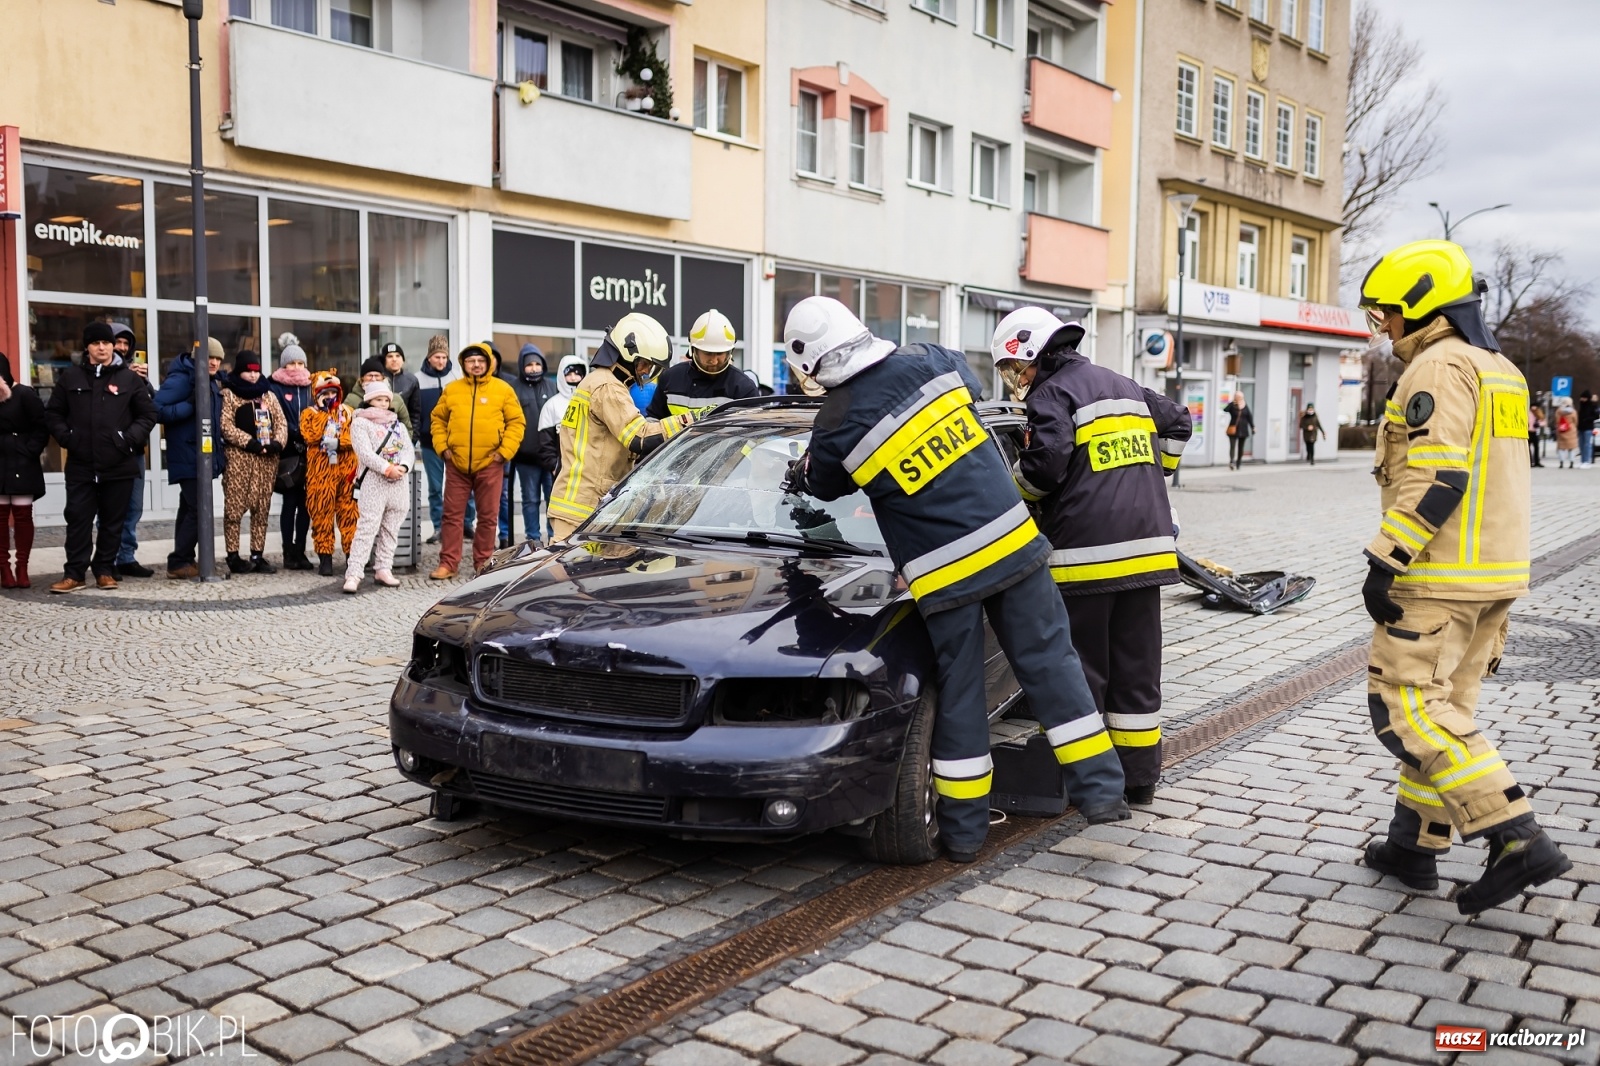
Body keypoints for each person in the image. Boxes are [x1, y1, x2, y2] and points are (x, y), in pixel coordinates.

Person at [782, 296, 1127, 862]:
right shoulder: (931, 360)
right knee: (1054, 667)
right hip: (1015, 548)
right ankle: (1102, 793)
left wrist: (800, 469)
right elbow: (967, 386)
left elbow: (822, 486)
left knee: (961, 694)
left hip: (945, 577)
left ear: (809, 363)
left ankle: (965, 835)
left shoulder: (836, 422)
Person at [1357, 239, 1571, 914]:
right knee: (1449, 708)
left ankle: (1516, 837)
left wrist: (1387, 557)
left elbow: (1438, 473)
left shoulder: (1437, 367)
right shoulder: (1500, 368)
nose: (1384, 325)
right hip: (1494, 572)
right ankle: (1414, 847)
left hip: (1440, 572)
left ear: (1421, 302)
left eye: (1387, 312)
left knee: (1406, 710)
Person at [989, 307, 1190, 807]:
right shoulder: (1122, 383)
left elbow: (1045, 468)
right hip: (1146, 556)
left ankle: (1082, 783)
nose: (1018, 381)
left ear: (1033, 354)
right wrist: (1154, 473)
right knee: (1137, 672)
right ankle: (1139, 779)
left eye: (1015, 369)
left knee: (1083, 676)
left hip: (1087, 561)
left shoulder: (1051, 394)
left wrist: (1015, 496)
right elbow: (1179, 423)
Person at [547, 315, 692, 543]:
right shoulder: (607, 387)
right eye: (643, 363)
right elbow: (638, 437)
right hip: (584, 507)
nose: (645, 371)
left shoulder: (596, 382)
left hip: (577, 503)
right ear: (626, 356)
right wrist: (687, 421)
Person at [44, 321, 157, 593]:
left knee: (112, 522)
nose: (102, 348)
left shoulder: (128, 378)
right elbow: (53, 413)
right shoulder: (71, 378)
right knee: (78, 520)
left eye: (106, 343)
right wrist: (68, 438)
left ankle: (104, 570)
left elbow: (148, 414)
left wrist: (126, 439)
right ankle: (74, 574)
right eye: (96, 343)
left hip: (118, 464)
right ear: (88, 347)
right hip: (81, 464)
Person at [429, 343, 525, 578]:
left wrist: (503, 453)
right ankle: (448, 563)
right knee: (451, 516)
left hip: (490, 464)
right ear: (464, 363)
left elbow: (517, 422)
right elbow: (437, 420)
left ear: (489, 363)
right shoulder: (452, 389)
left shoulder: (503, 389)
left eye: (481, 361)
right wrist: (443, 449)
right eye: (471, 361)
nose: (476, 364)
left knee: (488, 516)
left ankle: (483, 561)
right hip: (456, 464)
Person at [154, 340, 226, 579]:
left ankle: (183, 559)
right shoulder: (182, 379)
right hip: (188, 456)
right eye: (210, 357)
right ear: (197, 358)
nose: (214, 362)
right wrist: (189, 405)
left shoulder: (210, 381)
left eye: (218, 358)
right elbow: (156, 409)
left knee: (188, 508)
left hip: (200, 456)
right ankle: (179, 560)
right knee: (198, 509)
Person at [219, 351, 289, 574]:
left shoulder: (267, 393)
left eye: (256, 370)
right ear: (240, 371)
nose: (252, 375)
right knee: (234, 509)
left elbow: (281, 422)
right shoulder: (229, 394)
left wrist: (277, 443)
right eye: (248, 370)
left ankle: (257, 554)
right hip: (240, 459)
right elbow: (226, 426)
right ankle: (233, 555)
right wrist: (249, 442)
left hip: (266, 461)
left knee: (261, 509)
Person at [344, 380, 415, 593]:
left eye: (386, 399)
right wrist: (386, 468)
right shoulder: (360, 423)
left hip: (398, 485)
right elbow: (363, 453)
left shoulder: (398, 425)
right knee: (367, 528)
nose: (383, 404)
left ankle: (384, 567)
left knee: (391, 529)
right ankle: (354, 573)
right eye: (378, 399)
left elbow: (408, 450)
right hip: (374, 483)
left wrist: (403, 466)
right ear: (369, 400)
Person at [647, 309, 760, 422]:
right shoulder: (670, 379)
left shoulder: (743, 388)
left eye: (719, 354)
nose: (714, 361)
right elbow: (653, 421)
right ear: (694, 350)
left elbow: (755, 433)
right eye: (708, 353)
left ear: (730, 352)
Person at [301, 371, 360, 577]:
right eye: (324, 393)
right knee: (321, 515)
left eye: (333, 393)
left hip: (346, 472)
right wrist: (325, 414)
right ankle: (324, 557)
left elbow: (354, 437)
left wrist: (339, 442)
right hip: (321, 473)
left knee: (350, 514)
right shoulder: (309, 414)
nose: (329, 397)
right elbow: (311, 435)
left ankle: (352, 556)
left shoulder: (349, 412)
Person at [109, 323, 155, 578]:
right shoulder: (104, 372)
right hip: (110, 451)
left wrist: (144, 382)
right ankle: (108, 558)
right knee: (111, 507)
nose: (123, 348)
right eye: (119, 342)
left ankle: (126, 556)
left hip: (135, 449)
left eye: (127, 344)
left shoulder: (136, 375)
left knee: (134, 507)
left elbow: (151, 404)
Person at [501, 344, 558, 546]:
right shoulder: (513, 389)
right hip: (525, 457)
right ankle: (533, 539)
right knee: (530, 500)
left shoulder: (552, 387)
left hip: (551, 457)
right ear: (522, 366)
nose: (533, 368)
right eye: (529, 365)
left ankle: (554, 537)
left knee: (553, 499)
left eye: (537, 364)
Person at [0, 354, 47, 589]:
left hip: (22, 463)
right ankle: (4, 568)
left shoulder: (25, 394)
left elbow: (42, 426)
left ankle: (22, 566)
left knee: (22, 516)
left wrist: (28, 451)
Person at [270, 341, 315, 570]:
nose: (296, 367)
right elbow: (275, 417)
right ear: (283, 365)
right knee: (289, 503)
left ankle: (301, 550)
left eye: (300, 363)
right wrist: (297, 433)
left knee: (306, 506)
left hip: (310, 454)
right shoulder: (275, 387)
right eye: (291, 363)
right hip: (288, 453)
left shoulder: (311, 386)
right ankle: (288, 551)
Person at [413, 335, 462, 543]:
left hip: (456, 442)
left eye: (443, 357)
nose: (440, 361)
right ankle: (438, 527)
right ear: (429, 357)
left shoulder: (457, 377)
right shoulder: (417, 379)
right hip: (430, 442)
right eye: (436, 357)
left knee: (459, 487)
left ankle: (465, 525)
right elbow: (415, 410)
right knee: (435, 488)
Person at [535, 357, 586, 516]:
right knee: (557, 513)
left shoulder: (591, 403)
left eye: (578, 374)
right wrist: (554, 466)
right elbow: (545, 443)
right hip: (560, 472)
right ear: (561, 376)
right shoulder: (552, 405)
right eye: (569, 373)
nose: (573, 378)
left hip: (586, 471)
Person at [379, 342, 420, 423]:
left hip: (403, 429)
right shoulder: (377, 378)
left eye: (398, 356)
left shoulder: (411, 380)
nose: (394, 359)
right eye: (390, 356)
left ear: (403, 360)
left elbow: (415, 414)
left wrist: (413, 435)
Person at [1223, 393, 1254, 470]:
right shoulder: (1232, 405)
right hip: (1233, 429)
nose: (1237, 398)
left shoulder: (1245, 405)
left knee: (1241, 448)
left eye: (1238, 397)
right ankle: (1232, 461)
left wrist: (1253, 426)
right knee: (1232, 446)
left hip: (1243, 429)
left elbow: (1249, 417)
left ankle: (1239, 462)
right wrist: (1232, 403)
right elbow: (1225, 409)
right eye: (1236, 396)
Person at [1577, 389, 1597, 469]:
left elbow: (1596, 416)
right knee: (1581, 445)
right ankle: (1582, 461)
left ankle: (1587, 461)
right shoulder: (1581, 406)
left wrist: (1587, 419)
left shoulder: (1592, 406)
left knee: (1587, 445)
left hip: (1588, 427)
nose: (1582, 399)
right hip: (1581, 427)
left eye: (1583, 398)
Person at [1554, 402, 1578, 469]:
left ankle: (1561, 462)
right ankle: (1571, 462)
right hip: (1571, 430)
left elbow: (1557, 421)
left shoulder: (1559, 411)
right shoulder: (1573, 411)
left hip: (1561, 430)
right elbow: (1575, 421)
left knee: (1561, 448)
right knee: (1572, 448)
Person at [1527, 403, 1545, 468]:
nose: (1534, 408)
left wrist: (1538, 424)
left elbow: (1543, 422)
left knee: (1536, 447)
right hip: (1528, 432)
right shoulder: (1528, 413)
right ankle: (1530, 461)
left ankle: (1537, 461)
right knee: (1528, 448)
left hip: (1535, 432)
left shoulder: (1539, 413)